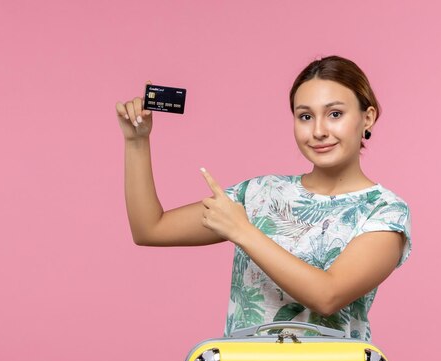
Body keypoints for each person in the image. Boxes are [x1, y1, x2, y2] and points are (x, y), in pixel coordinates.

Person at [115, 56, 411, 341]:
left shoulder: (384, 211)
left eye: (335, 114)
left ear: (367, 118)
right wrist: (136, 141)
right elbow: (150, 228)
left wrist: (242, 231)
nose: (319, 131)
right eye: (305, 116)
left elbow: (328, 296)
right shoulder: (261, 194)